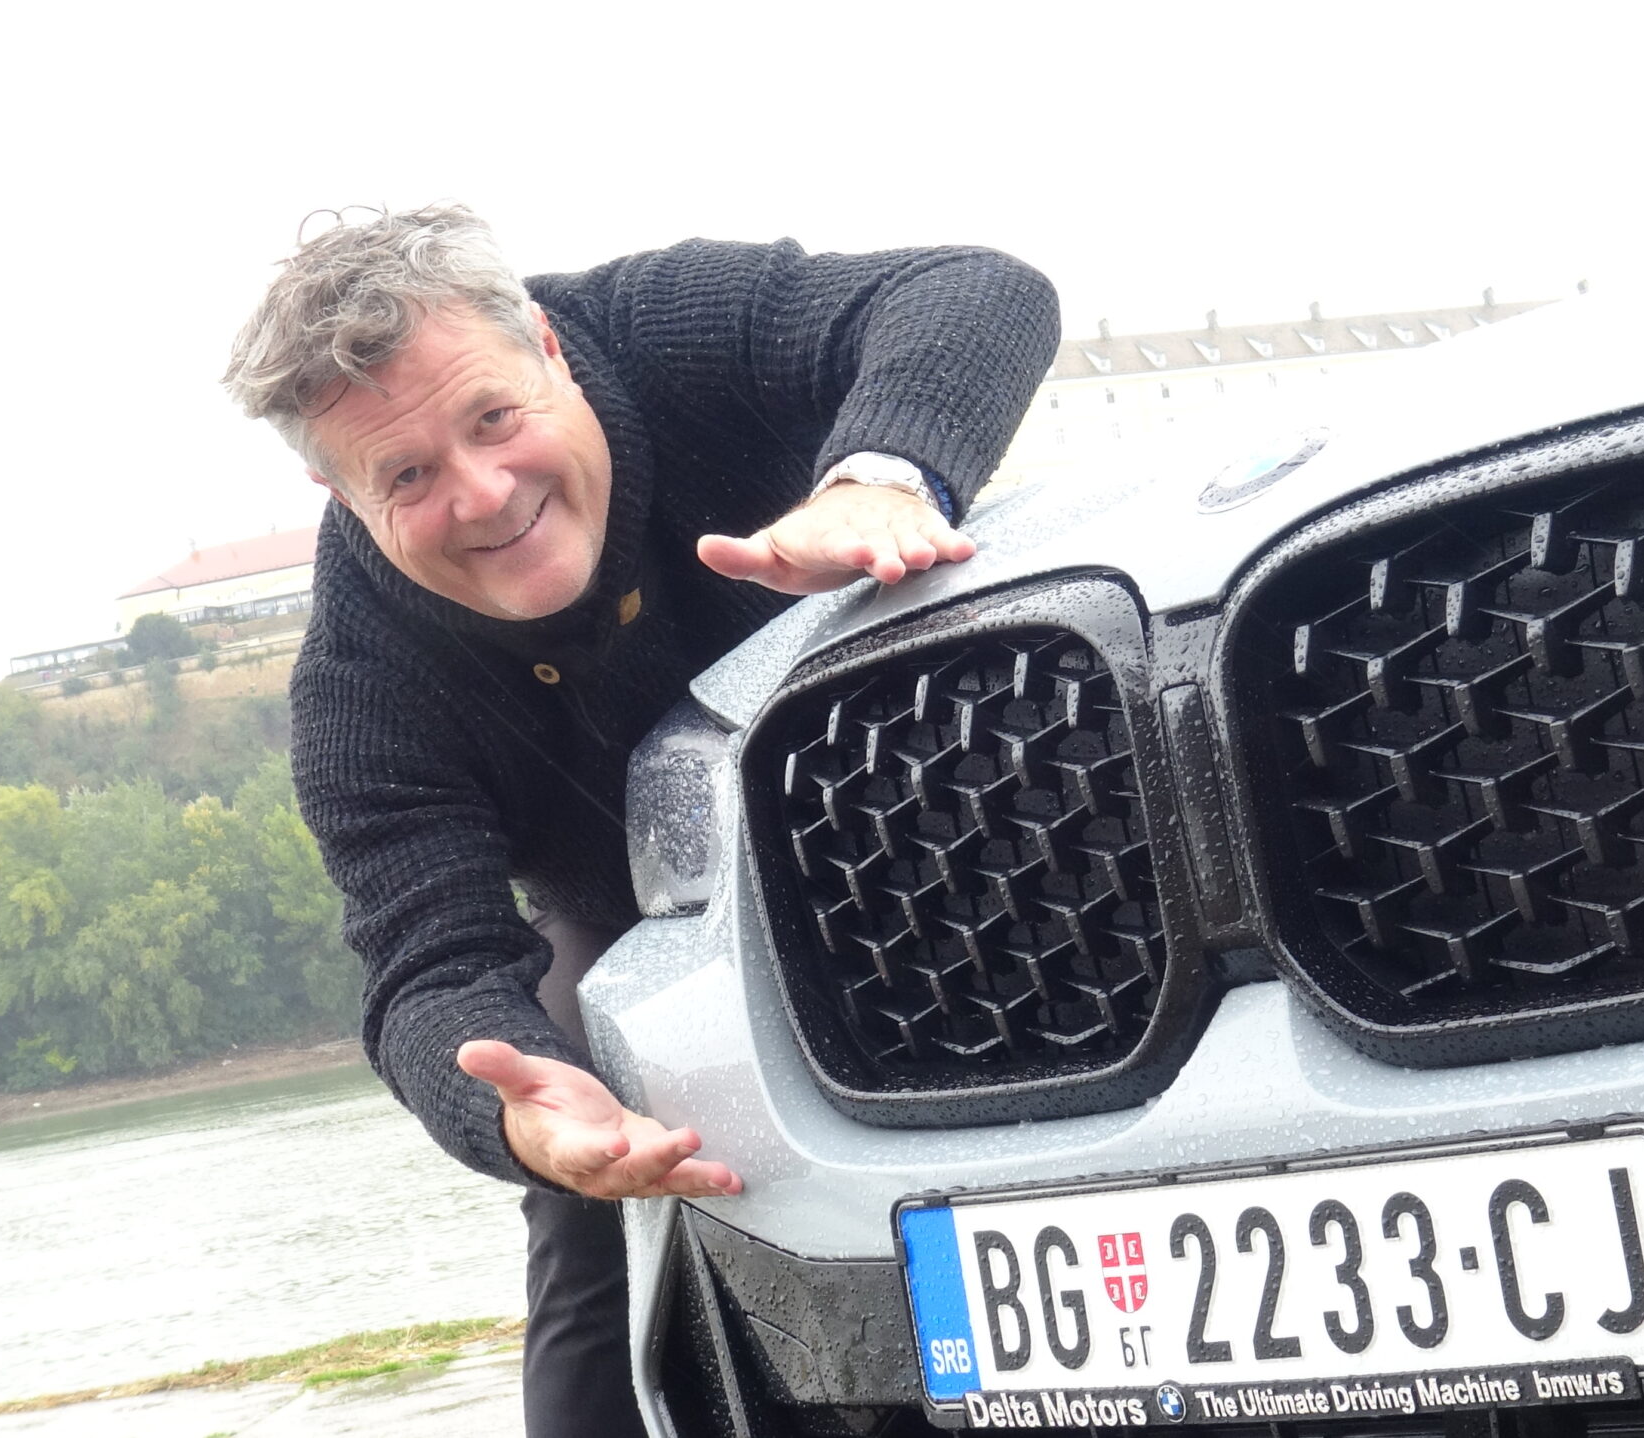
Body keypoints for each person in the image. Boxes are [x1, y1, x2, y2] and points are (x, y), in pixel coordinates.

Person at [222, 204, 1058, 1436]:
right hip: (643, 925)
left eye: (492, 418)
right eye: (406, 476)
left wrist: (878, 476)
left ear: (550, 348)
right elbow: (429, 971)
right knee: (589, 1201)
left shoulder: (661, 327)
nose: (484, 493)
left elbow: (979, 290)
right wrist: (521, 1113)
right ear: (336, 491)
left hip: (971, 813)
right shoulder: (364, 691)